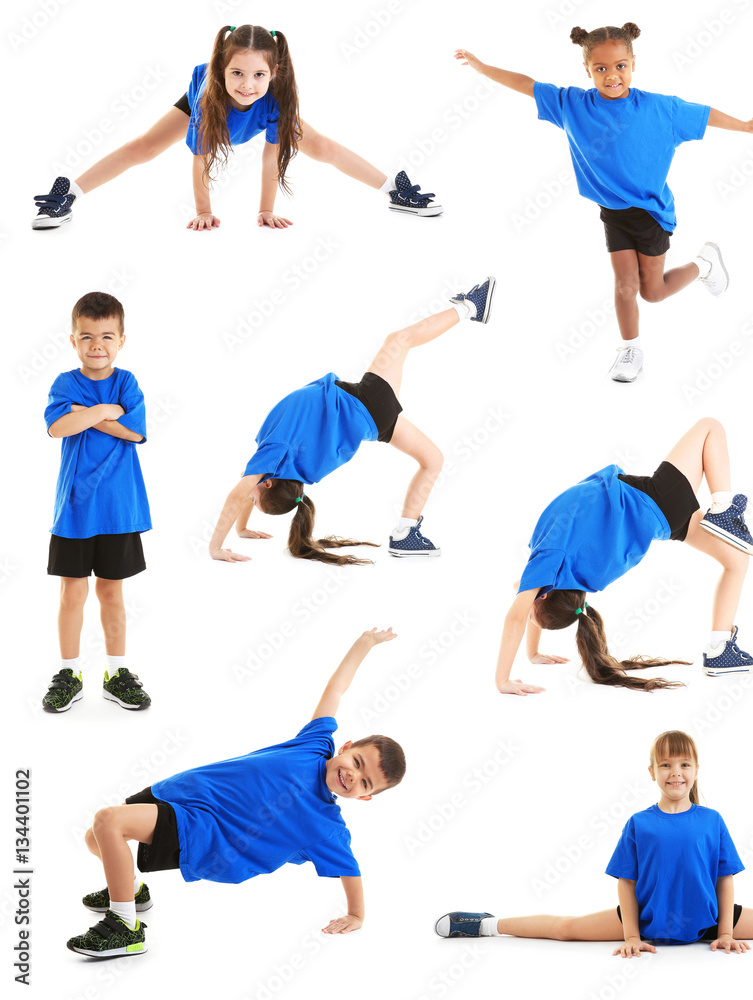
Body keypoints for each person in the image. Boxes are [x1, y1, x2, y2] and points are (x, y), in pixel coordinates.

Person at [455, 24, 753, 382]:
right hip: (613, 214)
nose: (612, 76)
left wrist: (745, 126)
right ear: (588, 71)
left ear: (633, 65)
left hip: (651, 214)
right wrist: (481, 67)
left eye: (620, 66)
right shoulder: (571, 105)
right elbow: (526, 84)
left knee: (652, 293)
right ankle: (629, 350)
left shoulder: (659, 109)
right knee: (625, 285)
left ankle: (704, 265)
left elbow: (703, 115)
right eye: (601, 68)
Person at [67, 628, 405, 958]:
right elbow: (336, 690)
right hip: (183, 792)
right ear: (344, 746)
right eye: (357, 762)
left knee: (108, 821)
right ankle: (131, 894)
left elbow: (350, 869)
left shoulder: (325, 825)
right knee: (94, 837)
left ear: (364, 797)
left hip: (204, 829)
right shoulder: (315, 744)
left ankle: (126, 929)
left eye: (364, 782)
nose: (352, 775)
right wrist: (365, 644)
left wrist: (356, 915)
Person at [436, 730, 753, 952]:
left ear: (695, 771)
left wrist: (728, 932)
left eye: (684, 764)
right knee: (564, 930)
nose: (675, 772)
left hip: (711, 921)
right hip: (645, 920)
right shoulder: (639, 822)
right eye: (666, 764)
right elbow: (625, 883)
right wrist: (630, 934)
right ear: (652, 772)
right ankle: (483, 925)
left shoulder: (711, 820)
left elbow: (725, 878)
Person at [32, 24, 441, 231]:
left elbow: (270, 157)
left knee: (322, 147)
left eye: (258, 75)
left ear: (274, 73)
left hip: (266, 108)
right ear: (221, 70)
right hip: (207, 104)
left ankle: (396, 191)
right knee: (144, 148)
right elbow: (200, 160)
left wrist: (265, 210)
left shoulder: (274, 96)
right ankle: (69, 192)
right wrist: (204, 212)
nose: (247, 84)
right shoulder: (209, 100)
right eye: (237, 73)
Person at [208, 279, 495, 564]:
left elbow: (245, 494)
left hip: (372, 422)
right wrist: (215, 548)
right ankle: (471, 308)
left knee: (433, 459)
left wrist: (242, 529)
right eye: (254, 498)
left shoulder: (282, 464)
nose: (248, 495)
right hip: (365, 402)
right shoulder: (275, 454)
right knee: (399, 340)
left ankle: (405, 532)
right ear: (268, 483)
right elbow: (239, 495)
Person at [495, 418, 753, 695]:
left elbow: (526, 599)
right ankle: (725, 510)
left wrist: (533, 653)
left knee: (737, 562)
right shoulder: (551, 557)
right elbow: (518, 613)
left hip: (665, 522)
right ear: (544, 595)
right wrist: (503, 680)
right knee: (710, 427)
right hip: (657, 500)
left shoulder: (575, 577)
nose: (525, 608)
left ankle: (720, 648)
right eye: (531, 612)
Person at [42, 292, 152, 714]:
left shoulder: (127, 382)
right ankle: (68, 673)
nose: (96, 345)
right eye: (86, 337)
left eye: (106, 336)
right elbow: (57, 427)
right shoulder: (64, 384)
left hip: (120, 508)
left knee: (112, 593)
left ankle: (116, 673)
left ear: (121, 340)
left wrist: (88, 413)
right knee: (72, 593)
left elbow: (135, 432)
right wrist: (108, 412)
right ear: (73, 340)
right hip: (74, 508)